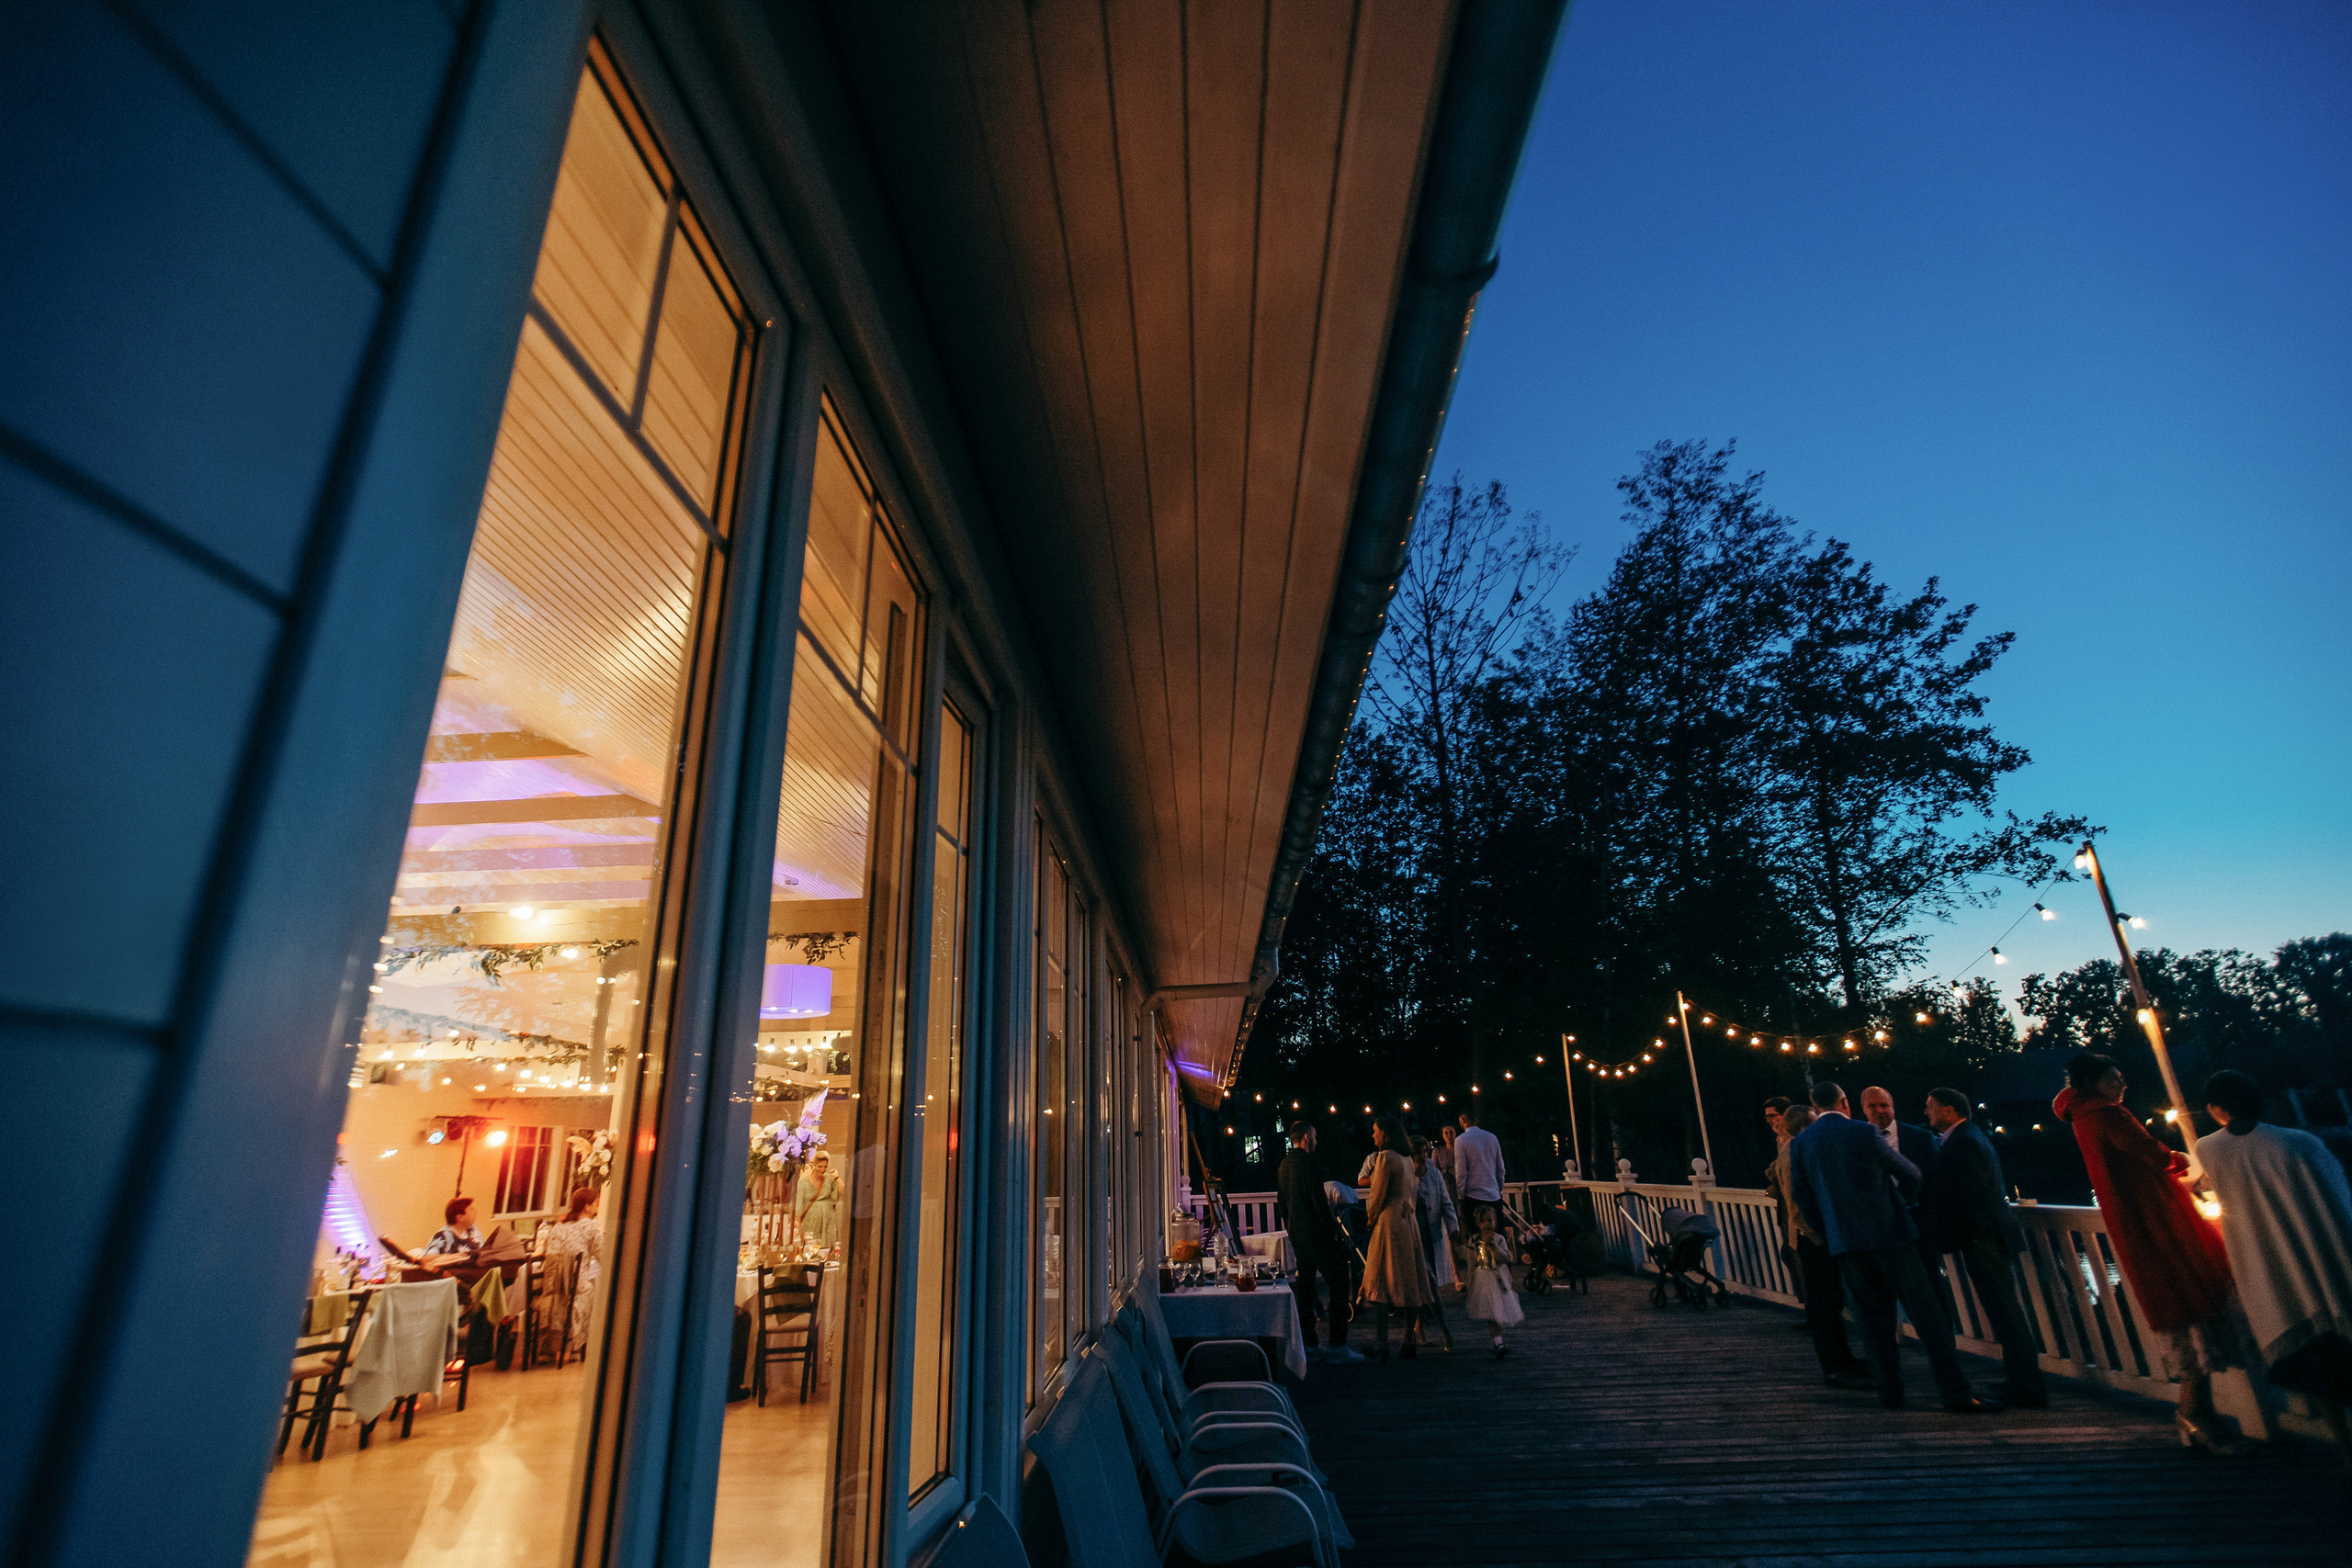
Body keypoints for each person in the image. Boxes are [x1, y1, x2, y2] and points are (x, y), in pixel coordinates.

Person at [2053, 1052, 2250, 1452]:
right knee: (2192, 1298)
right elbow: (2154, 1155)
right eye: (2114, 1079)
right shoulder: (2108, 1116)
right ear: (2093, 1084)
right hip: (2158, 1220)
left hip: (2137, 1223)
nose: (2122, 1085)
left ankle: (2197, 1415)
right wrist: (2187, 1161)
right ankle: (2196, 1416)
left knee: (2184, 1309)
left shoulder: (2085, 1118)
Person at [1787, 1081, 1997, 1413]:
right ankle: (1955, 1392)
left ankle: (1890, 1391)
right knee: (1927, 1316)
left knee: (1872, 1321)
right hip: (1892, 1236)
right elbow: (1911, 1173)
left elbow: (1801, 1196)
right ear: (1845, 1102)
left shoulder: (1800, 1144)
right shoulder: (1864, 1133)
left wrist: (1831, 1232)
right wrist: (1901, 1204)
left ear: (1815, 1105)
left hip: (1847, 1244)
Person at [2198, 1069, 2352, 1460]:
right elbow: (2337, 1199)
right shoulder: (2298, 1144)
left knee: (2313, 1369)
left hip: (2270, 1270)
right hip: (2321, 1258)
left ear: (2217, 1109)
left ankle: (2345, 1446)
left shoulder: (2209, 1149)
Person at [1916, 1088, 2048, 1407]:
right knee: (2003, 1312)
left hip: (1984, 1238)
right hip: (1985, 1235)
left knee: (2005, 1312)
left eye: (1930, 1107)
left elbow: (1972, 1194)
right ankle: (2019, 1380)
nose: (1926, 1113)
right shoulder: (1969, 1137)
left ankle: (2027, 1387)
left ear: (1949, 1111)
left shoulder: (1963, 1142)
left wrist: (1963, 1234)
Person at [1777, 1104, 1870, 1387]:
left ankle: (1843, 1360)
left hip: (1811, 1239)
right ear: (1807, 1126)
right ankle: (1836, 1367)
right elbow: (1797, 1205)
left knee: (1827, 1304)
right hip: (1812, 1241)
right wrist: (1824, 1237)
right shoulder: (1796, 1151)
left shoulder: (1789, 1149)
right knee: (1824, 1306)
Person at [1276, 1122, 1365, 1364]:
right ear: (1306, 1136)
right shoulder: (1309, 1163)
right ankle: (1338, 1346)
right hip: (1319, 1237)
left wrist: (1292, 1230)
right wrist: (1334, 1233)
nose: (1316, 1141)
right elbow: (1319, 1203)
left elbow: (1282, 1204)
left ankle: (1310, 1345)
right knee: (1339, 1284)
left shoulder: (1284, 1166)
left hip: (1300, 1238)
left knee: (1305, 1290)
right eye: (1314, 1136)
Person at [1358, 1115, 1436, 1361]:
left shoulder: (1385, 1157)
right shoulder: (1407, 1160)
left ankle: (1382, 1341)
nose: (1373, 1136)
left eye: (1375, 1131)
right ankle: (1408, 1337)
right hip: (1408, 1221)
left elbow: (1379, 1193)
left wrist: (1370, 1218)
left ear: (1385, 1133)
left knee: (1379, 1278)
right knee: (1409, 1277)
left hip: (1389, 1222)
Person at [537, 1186, 605, 1356]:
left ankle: (548, 1345)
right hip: (574, 1285)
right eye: (595, 1203)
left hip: (552, 1286)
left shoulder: (558, 1226)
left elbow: (546, 1253)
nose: (597, 1207)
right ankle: (577, 1344)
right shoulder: (591, 1226)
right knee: (591, 1289)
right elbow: (603, 1254)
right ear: (586, 1207)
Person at [1411, 1139, 1458, 1350]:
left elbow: (1446, 1202)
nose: (1423, 1155)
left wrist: (1453, 1227)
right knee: (1427, 1286)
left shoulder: (1434, 1174)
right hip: (1412, 1238)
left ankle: (1418, 1327)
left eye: (1424, 1151)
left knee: (1426, 1285)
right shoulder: (1405, 1175)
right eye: (1418, 1152)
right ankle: (1445, 1330)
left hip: (1431, 1236)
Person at [1462, 1206, 1523, 1358]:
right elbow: (1471, 1263)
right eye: (1483, 1221)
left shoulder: (1499, 1239)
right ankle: (1498, 1342)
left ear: (1495, 1221)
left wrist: (1493, 1246)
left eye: (1490, 1220)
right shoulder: (1474, 1240)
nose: (1487, 1224)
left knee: (1498, 1310)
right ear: (1478, 1224)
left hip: (1499, 1279)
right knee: (1491, 1312)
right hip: (1483, 1279)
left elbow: (1506, 1257)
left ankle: (1498, 1340)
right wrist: (1470, 1284)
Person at [1453, 1109, 1506, 1230]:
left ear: (1462, 1120)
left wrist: (1461, 1196)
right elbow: (1500, 1169)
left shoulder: (1461, 1140)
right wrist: (1498, 1189)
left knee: (1477, 1239)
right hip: (1494, 1195)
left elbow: (1461, 1172)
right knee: (1498, 1238)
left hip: (1473, 1196)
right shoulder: (1492, 1138)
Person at [795, 1151, 843, 1249]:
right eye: (819, 1166)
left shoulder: (829, 1180)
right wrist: (798, 1230)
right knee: (811, 1248)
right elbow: (798, 1208)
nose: (822, 1169)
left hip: (828, 1221)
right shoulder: (803, 1183)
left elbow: (841, 1193)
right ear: (814, 1165)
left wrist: (837, 1178)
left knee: (828, 1249)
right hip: (811, 1221)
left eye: (825, 1167)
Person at [420, 1196, 481, 1268]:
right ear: (460, 1217)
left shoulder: (471, 1232)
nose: (476, 1212)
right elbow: (426, 1260)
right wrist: (459, 1256)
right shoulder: (444, 1236)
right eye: (471, 1210)